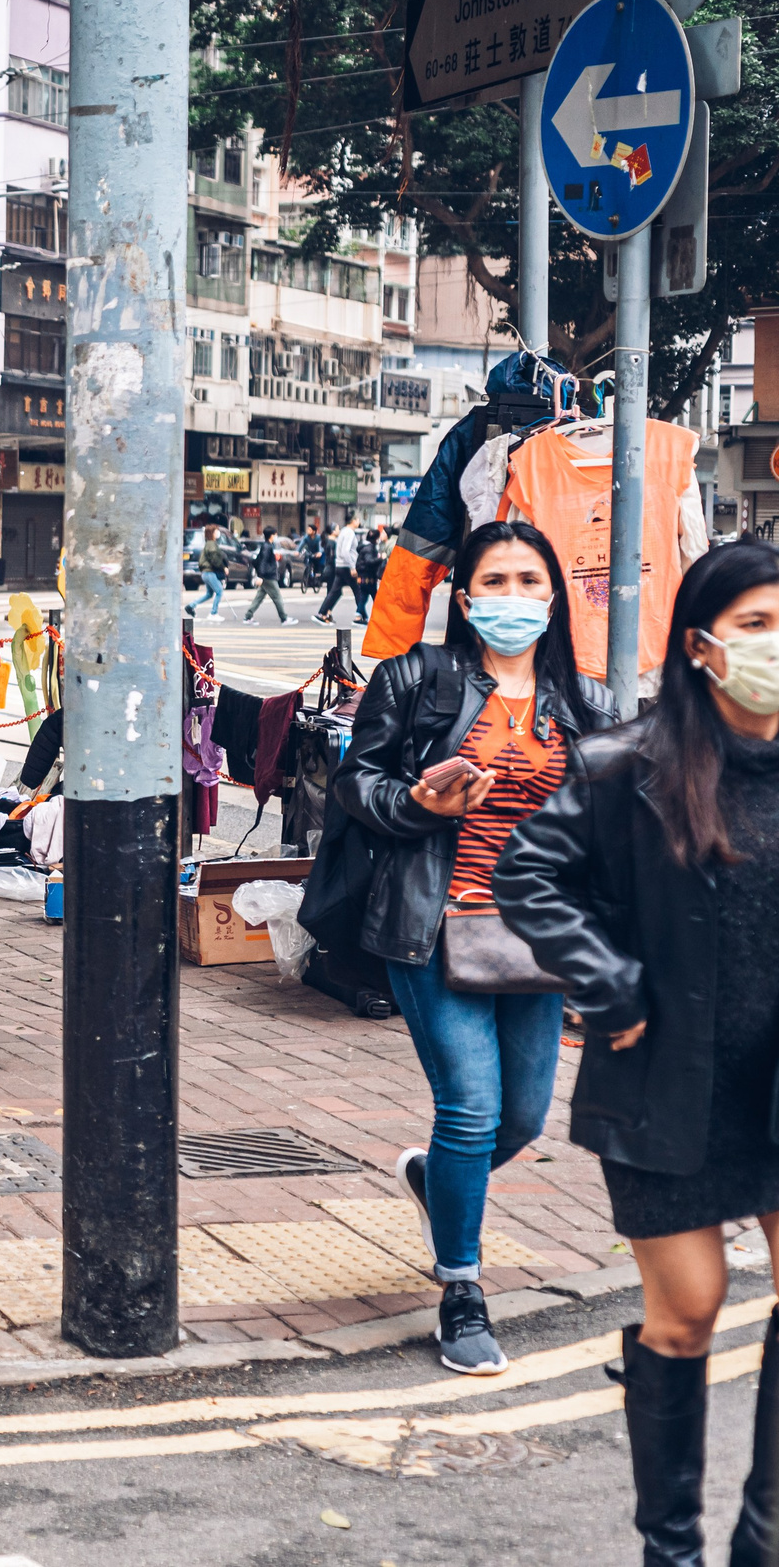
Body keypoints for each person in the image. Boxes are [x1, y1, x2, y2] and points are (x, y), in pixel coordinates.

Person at [496, 538, 779, 1565]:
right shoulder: (628, 765)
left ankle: (761, 1537)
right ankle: (670, 1545)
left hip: (774, 1084)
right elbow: (529, 875)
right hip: (667, 1082)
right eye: (754, 625)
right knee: (690, 1307)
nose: (773, 643)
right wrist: (605, 977)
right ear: (703, 646)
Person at [333, 519, 605, 1377]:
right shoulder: (418, 678)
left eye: (530, 581)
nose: (513, 597)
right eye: (496, 581)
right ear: (465, 596)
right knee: (472, 1110)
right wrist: (420, 803)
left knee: (523, 1117)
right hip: (434, 923)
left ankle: (435, 1179)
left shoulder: (578, 701)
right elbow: (356, 780)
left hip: (533, 937)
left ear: (554, 598)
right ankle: (461, 1289)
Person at [315, 517, 366, 623]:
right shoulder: (349, 533)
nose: (359, 522)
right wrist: (352, 567)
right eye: (357, 520)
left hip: (339, 566)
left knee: (334, 592)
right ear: (353, 521)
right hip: (346, 567)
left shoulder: (343, 531)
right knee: (358, 590)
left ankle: (322, 613)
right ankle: (360, 616)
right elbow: (345, 551)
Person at [242, 528, 292, 625]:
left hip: (266, 576)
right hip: (268, 577)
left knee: (259, 598)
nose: (276, 536)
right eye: (275, 534)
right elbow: (263, 562)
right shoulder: (267, 547)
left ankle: (248, 616)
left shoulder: (266, 546)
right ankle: (284, 618)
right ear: (272, 535)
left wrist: (260, 574)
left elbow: (257, 561)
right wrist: (260, 576)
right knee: (278, 598)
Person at [187, 525, 228, 621]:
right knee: (219, 591)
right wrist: (223, 568)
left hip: (206, 573)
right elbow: (215, 560)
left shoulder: (209, 544)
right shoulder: (211, 545)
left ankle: (191, 605)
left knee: (209, 594)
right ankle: (213, 613)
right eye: (216, 531)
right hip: (210, 572)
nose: (218, 533)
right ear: (212, 533)